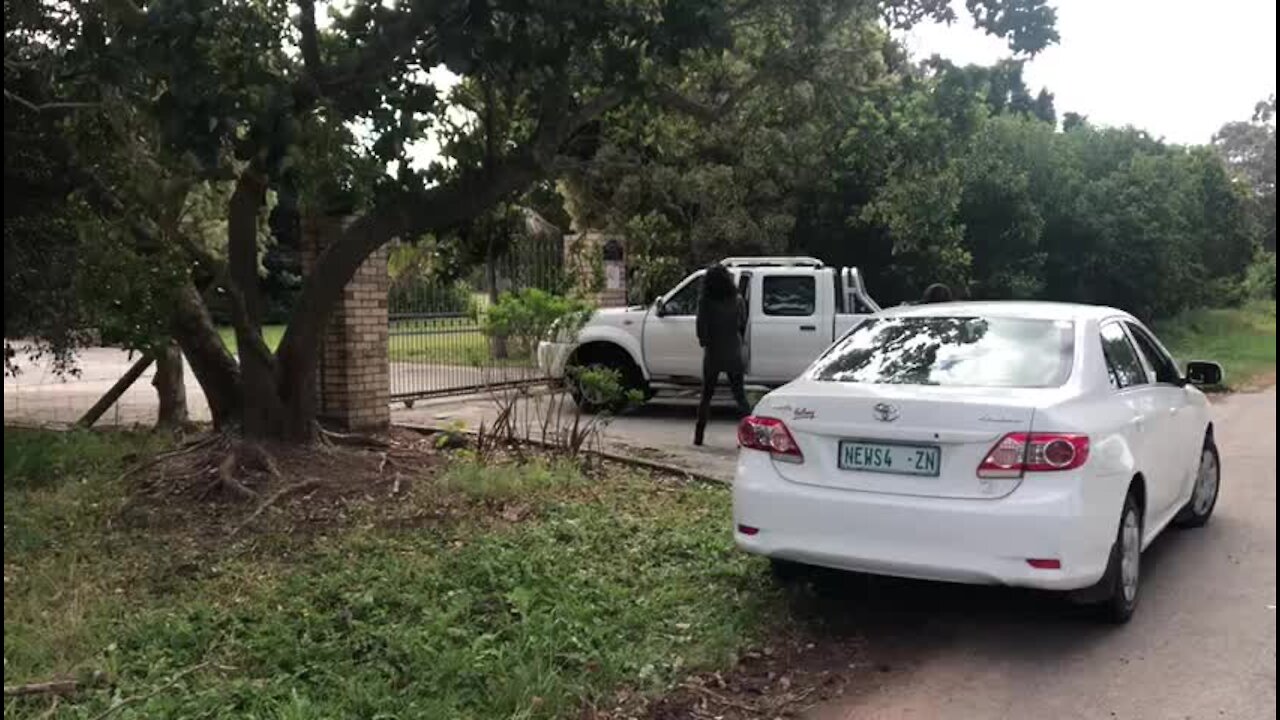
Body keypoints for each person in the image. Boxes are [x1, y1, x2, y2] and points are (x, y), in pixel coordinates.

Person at [694, 264, 752, 446]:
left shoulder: (705, 301)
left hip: (713, 351)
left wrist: (705, 341)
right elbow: (742, 323)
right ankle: (751, 435)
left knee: (707, 395)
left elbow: (701, 327)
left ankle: (699, 436)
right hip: (734, 351)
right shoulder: (738, 299)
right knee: (740, 396)